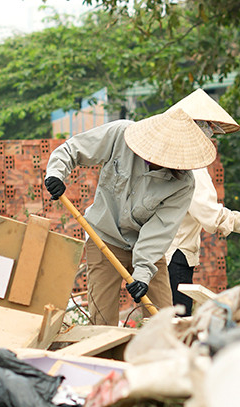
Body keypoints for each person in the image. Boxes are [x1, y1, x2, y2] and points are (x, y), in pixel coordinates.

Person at [43, 106, 217, 325]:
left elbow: (158, 232)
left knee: (162, 319)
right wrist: (56, 174)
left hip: (146, 250)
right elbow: (72, 149)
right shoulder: (121, 134)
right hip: (103, 238)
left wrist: (143, 275)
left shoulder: (183, 183)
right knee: (102, 322)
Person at [166, 166, 240, 315]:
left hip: (157, 253)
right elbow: (209, 213)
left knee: (160, 320)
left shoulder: (161, 164)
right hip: (176, 253)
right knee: (178, 323)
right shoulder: (192, 169)